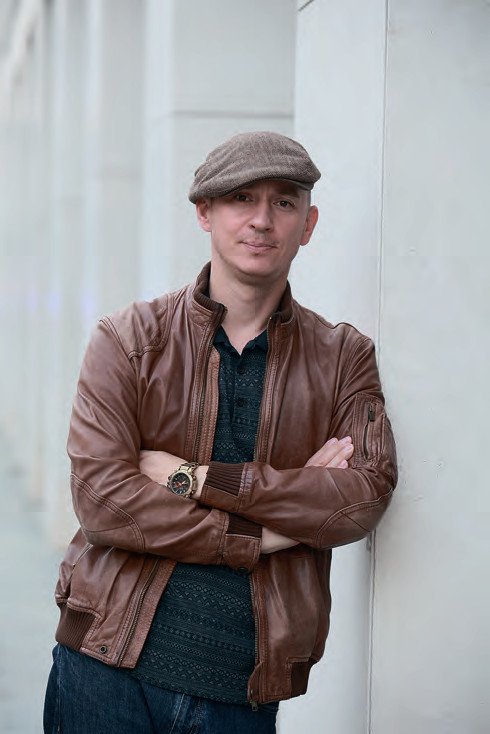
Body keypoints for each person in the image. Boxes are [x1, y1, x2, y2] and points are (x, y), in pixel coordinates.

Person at [43, 130, 397, 733]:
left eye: (283, 202)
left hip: (242, 692)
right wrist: (262, 533)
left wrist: (192, 479)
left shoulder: (342, 357)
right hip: (102, 671)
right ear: (204, 213)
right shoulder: (129, 340)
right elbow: (104, 504)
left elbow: (362, 496)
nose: (262, 220)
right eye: (241, 199)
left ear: (308, 225)